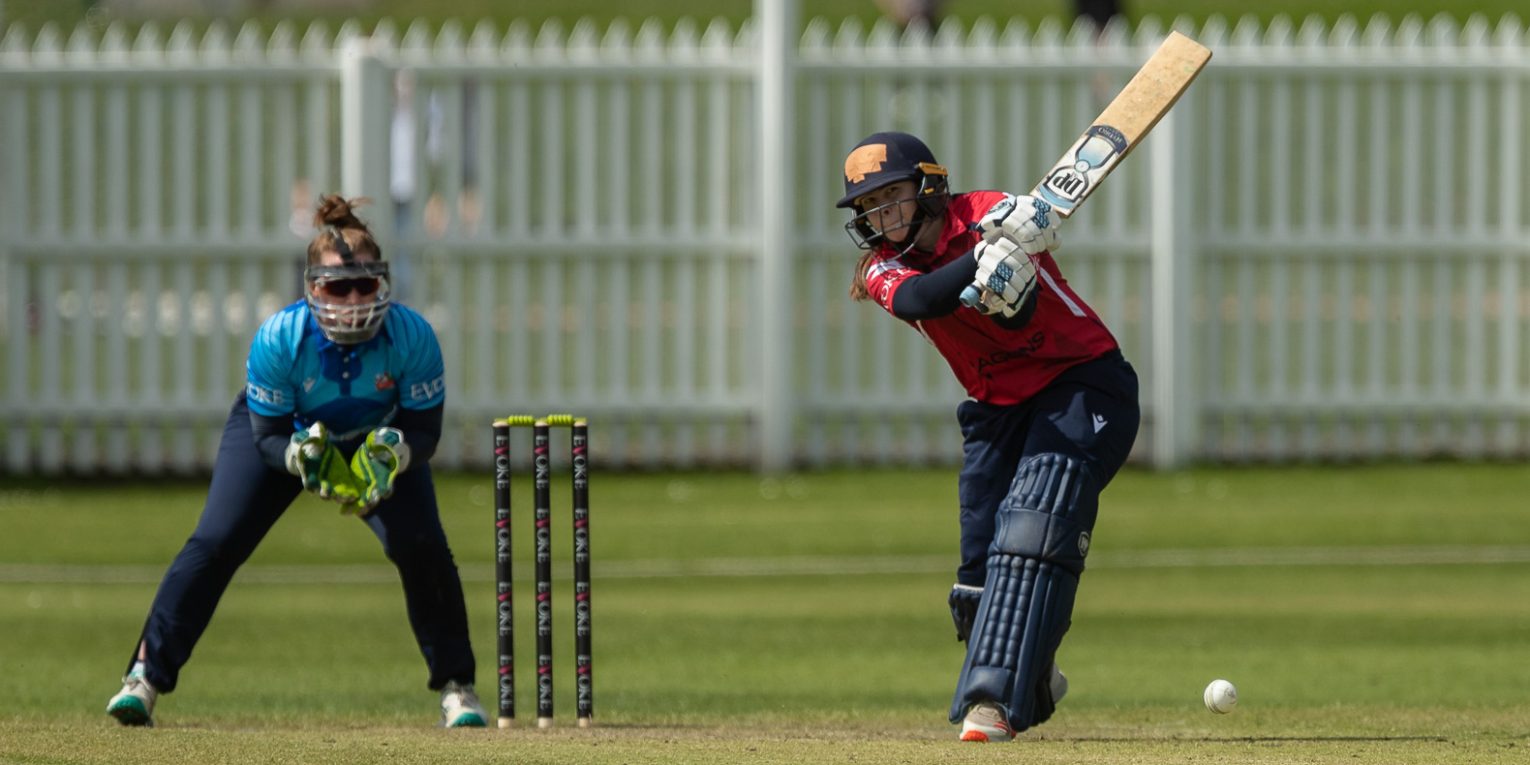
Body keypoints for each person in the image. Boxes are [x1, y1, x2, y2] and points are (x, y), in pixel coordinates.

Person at [105, 195, 486, 729]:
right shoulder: (281, 338)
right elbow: (263, 434)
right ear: (312, 289)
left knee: (421, 545)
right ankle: (143, 678)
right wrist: (297, 454)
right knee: (216, 541)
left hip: (374, 437)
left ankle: (457, 688)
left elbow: (425, 429)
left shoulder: (412, 336)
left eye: (365, 286)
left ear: (383, 284)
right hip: (286, 430)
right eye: (336, 287)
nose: (352, 300)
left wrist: (394, 453)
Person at [837, 132, 1140, 742]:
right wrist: (980, 260)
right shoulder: (880, 268)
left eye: (891, 195)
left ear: (927, 188)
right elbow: (919, 300)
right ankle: (1034, 674)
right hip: (996, 410)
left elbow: (1022, 314)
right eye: (868, 205)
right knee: (975, 583)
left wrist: (1010, 251)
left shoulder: (987, 212)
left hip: (1081, 380)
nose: (880, 214)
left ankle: (992, 703)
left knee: (1037, 522)